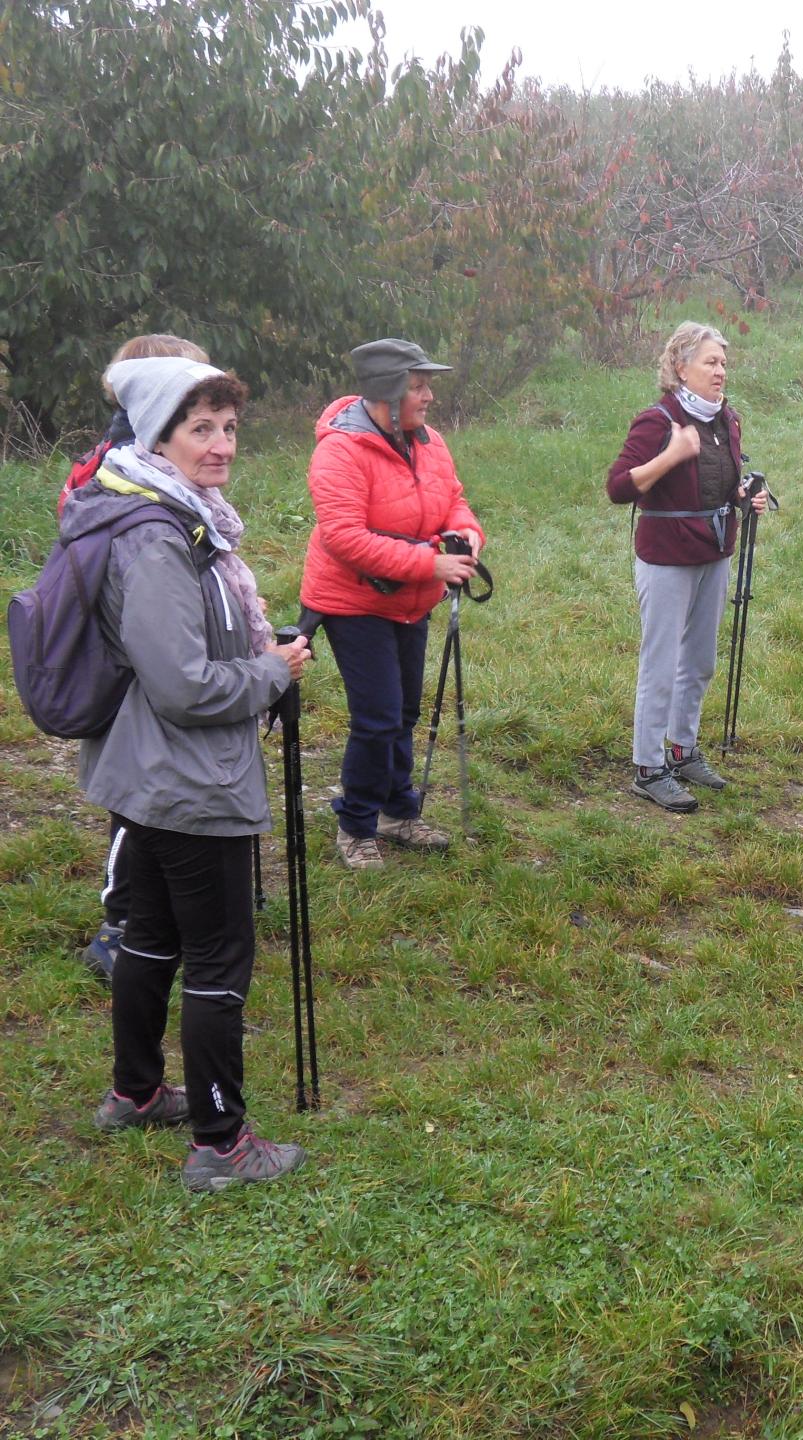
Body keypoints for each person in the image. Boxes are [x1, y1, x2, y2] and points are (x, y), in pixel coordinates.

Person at [68, 357, 313, 1190]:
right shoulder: (155, 539)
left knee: (152, 937)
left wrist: (254, 651)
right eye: (199, 428)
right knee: (217, 961)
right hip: (187, 780)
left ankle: (135, 1093)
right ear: (156, 436)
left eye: (229, 428)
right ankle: (220, 1144)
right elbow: (181, 685)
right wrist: (271, 673)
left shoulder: (168, 514)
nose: (220, 446)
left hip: (149, 774)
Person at [59, 333, 212, 984]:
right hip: (127, 656)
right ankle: (119, 927)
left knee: (161, 788)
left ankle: (164, 909)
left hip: (163, 638)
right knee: (136, 799)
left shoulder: (151, 454)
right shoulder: (117, 465)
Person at [299, 339, 486, 870]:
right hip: (352, 599)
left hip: (410, 600)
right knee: (378, 716)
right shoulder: (339, 451)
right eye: (419, 385)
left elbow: (454, 500)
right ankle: (356, 825)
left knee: (403, 709)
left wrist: (466, 535)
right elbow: (343, 539)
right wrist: (430, 565)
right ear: (387, 392)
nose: (429, 396)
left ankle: (397, 812)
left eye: (428, 384)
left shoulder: (429, 441)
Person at [606, 322, 770, 813]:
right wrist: (671, 455)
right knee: (660, 664)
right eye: (710, 362)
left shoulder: (727, 420)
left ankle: (682, 748)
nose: (721, 371)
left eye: (723, 362)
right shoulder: (658, 421)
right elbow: (617, 488)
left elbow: (721, 484)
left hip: (713, 553)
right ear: (681, 366)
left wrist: (746, 497)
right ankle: (648, 767)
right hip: (666, 557)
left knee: (699, 660)